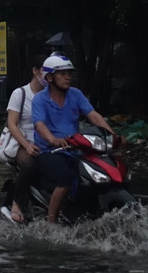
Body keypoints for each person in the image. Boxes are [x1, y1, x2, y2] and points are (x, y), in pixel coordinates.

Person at [30, 55, 117, 223]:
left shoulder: (76, 95)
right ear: (50, 77)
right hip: (50, 151)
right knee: (66, 178)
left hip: (76, 149)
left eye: (69, 73)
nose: (67, 77)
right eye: (62, 74)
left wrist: (112, 135)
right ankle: (51, 221)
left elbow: (93, 115)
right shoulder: (40, 99)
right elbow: (39, 125)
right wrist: (53, 139)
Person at [0, 57, 48, 223]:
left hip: (45, 142)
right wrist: (26, 145)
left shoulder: (49, 96)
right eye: (45, 71)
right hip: (22, 142)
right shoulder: (20, 93)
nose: (48, 76)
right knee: (29, 165)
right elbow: (12, 124)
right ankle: (16, 204)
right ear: (35, 71)